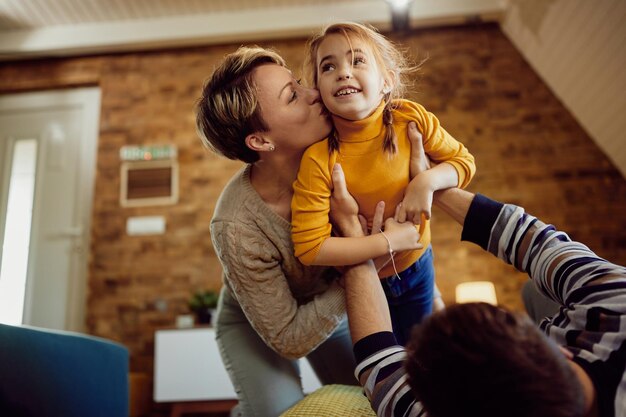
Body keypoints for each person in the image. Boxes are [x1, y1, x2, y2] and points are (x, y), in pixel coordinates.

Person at [195, 46, 424, 416]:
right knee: (278, 413)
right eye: (292, 97)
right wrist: (365, 257)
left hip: (329, 299)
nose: (314, 92)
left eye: (298, 83)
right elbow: (288, 338)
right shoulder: (236, 227)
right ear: (261, 141)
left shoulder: (343, 154)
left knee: (382, 399)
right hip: (260, 323)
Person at [329, 132, 626, 417]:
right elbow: (535, 243)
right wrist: (431, 183)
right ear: (563, 354)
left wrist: (355, 239)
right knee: (535, 290)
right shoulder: (616, 300)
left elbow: (378, 367)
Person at [291, 22, 476, 344]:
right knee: (383, 360)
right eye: (329, 66)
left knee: (424, 352)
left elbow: (463, 163)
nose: (344, 73)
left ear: (387, 81)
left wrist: (426, 182)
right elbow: (309, 247)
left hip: (417, 265)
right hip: (362, 279)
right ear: (318, 90)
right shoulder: (318, 159)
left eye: (357, 61)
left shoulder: (411, 119)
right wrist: (387, 243)